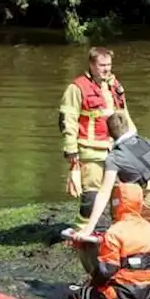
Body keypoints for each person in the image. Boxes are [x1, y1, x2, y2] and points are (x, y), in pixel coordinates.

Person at [59, 47, 135, 227]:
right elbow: (67, 121)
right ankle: (83, 232)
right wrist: (72, 153)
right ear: (92, 65)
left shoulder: (114, 85)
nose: (106, 69)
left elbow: (124, 115)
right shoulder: (76, 88)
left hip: (115, 149)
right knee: (91, 196)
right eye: (102, 65)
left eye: (109, 65)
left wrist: (133, 141)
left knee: (120, 194)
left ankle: (115, 230)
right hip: (90, 151)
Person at [76, 113, 150, 239]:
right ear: (128, 126)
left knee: (122, 218)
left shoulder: (115, 157)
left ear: (108, 133)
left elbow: (104, 193)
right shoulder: (147, 142)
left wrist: (88, 229)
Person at [70, 182, 150, 299]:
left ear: (115, 204)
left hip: (123, 293)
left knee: (80, 295)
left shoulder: (114, 233)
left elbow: (106, 271)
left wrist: (91, 284)